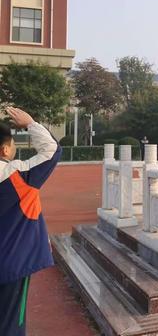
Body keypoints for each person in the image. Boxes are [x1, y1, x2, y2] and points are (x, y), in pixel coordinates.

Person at [0, 107, 62, 336]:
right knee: (9, 324)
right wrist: (31, 123)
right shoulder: (17, 177)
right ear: (5, 149)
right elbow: (52, 151)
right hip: (11, 265)